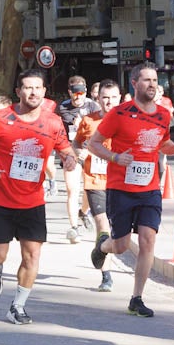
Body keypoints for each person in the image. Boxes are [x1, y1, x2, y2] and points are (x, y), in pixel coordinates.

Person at [85, 63, 174, 317]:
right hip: (121, 188)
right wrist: (114, 158)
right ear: (134, 84)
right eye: (146, 80)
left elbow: (163, 144)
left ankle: (137, 298)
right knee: (121, 245)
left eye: (155, 80)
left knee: (148, 240)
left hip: (149, 188)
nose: (153, 85)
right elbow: (94, 143)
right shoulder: (120, 113)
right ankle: (103, 246)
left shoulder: (164, 115)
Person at [0, 68, 77, 325]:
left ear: (44, 92)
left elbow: (65, 148)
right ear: (18, 92)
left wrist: (70, 159)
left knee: (32, 256)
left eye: (37, 88)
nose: (33, 92)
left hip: (32, 202)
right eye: (27, 88)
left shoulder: (52, 122)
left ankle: (17, 306)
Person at [74, 80, 124, 292]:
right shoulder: (88, 121)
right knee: (103, 227)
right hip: (94, 180)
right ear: (97, 98)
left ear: (120, 98)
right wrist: (79, 154)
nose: (109, 101)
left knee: (116, 231)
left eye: (113, 97)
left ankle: (100, 251)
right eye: (105, 97)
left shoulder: (126, 121)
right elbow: (76, 143)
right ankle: (106, 276)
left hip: (119, 183)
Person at [57, 76, 101, 243]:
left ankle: (83, 211)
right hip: (71, 151)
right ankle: (74, 228)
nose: (79, 97)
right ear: (70, 93)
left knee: (88, 190)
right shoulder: (63, 107)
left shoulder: (93, 106)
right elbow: (74, 126)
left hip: (91, 152)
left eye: (82, 94)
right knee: (71, 189)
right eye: (75, 94)